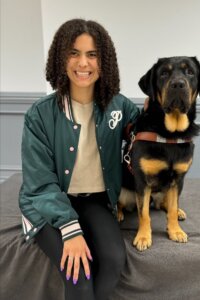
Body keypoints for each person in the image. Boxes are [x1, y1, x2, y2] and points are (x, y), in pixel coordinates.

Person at [19, 18, 139, 300]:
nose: (83, 63)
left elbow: (143, 136)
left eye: (92, 54)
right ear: (61, 58)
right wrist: (70, 232)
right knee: (79, 274)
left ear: (104, 60)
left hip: (94, 199)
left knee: (112, 260)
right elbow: (40, 183)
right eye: (74, 53)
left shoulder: (119, 106)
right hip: (47, 203)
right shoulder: (40, 114)